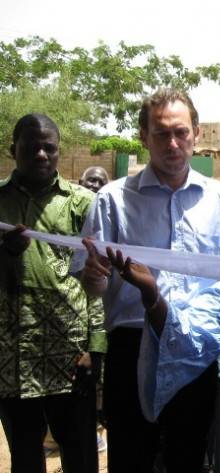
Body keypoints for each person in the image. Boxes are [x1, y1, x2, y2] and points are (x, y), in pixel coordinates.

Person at [72, 88, 220, 473]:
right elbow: (94, 287)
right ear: (143, 136)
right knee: (130, 454)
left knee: (188, 455)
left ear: (197, 134)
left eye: (181, 132)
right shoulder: (112, 200)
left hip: (196, 344)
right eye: (161, 134)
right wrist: (94, 278)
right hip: (131, 344)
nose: (173, 143)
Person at [0, 114, 106, 473]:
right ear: (13, 149)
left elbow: (97, 277)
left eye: (50, 148)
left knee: (80, 452)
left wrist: (96, 345)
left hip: (71, 355)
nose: (42, 154)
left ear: (59, 152)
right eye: (32, 147)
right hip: (12, 356)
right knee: (26, 454)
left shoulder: (83, 203)